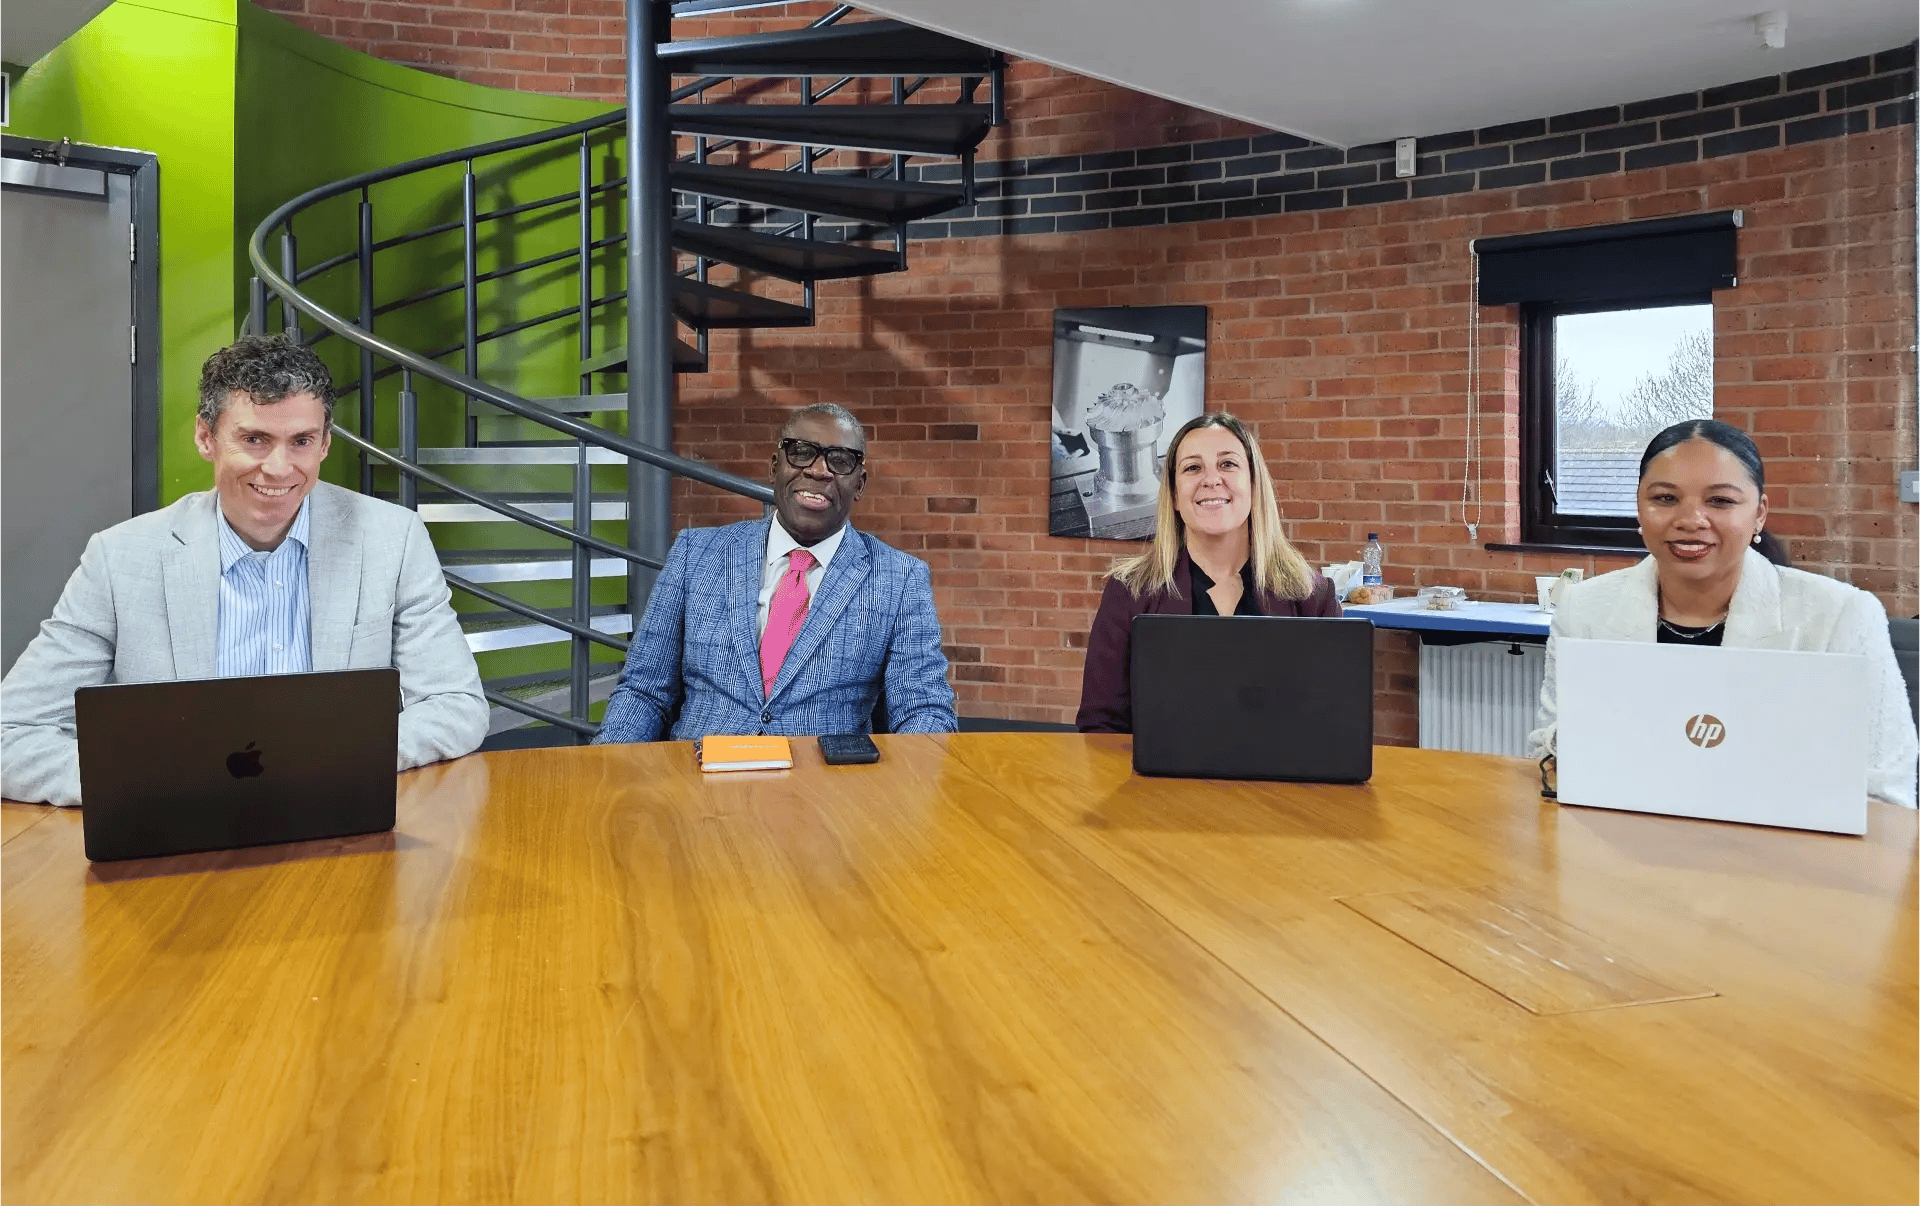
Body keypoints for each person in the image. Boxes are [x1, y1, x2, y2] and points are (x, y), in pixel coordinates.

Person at [0, 334, 489, 807]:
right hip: (181, 842)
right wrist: (154, 783)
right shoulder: (121, 558)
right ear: (205, 437)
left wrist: (321, 764)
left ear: (324, 445)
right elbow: (11, 733)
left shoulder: (393, 539)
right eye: (254, 439)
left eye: (301, 441)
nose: (278, 468)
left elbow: (457, 706)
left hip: (338, 825)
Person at [1530, 418, 1917, 809]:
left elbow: (1885, 792)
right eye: (1665, 498)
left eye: (1720, 501)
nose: (1691, 520)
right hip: (1623, 842)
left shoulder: (1842, 616)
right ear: (1639, 508)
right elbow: (1548, 752)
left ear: (1759, 514)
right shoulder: (1585, 610)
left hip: (1786, 856)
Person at [595, 403, 956, 743]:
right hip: (699, 782)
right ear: (774, 467)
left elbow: (923, 707)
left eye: (841, 460)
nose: (818, 470)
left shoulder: (900, 577)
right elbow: (644, 690)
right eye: (801, 452)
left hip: (825, 793)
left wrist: (914, 785)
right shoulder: (696, 553)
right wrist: (606, 775)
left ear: (859, 484)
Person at [1077, 411, 1341, 733]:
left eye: (1228, 464)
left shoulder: (1313, 598)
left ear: (1254, 485)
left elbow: (1333, 726)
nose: (1212, 479)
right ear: (1174, 495)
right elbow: (1101, 725)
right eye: (1193, 468)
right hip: (1161, 784)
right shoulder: (1129, 593)